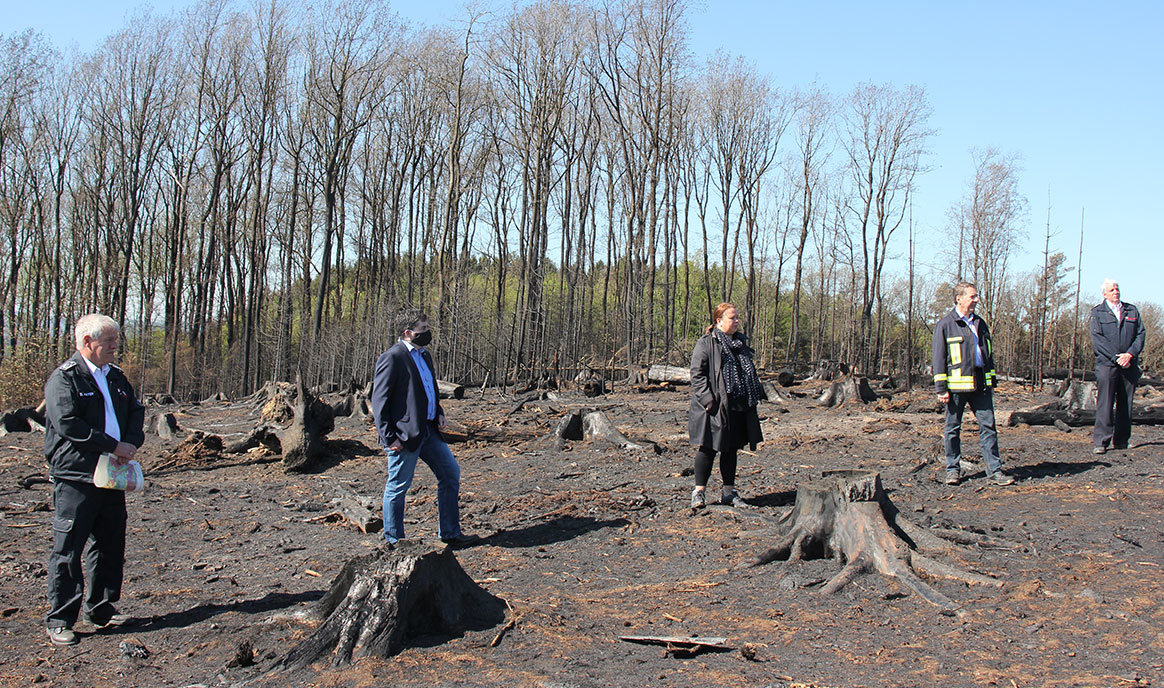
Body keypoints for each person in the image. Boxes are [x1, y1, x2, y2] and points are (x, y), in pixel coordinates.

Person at [43, 314, 145, 647]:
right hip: (77, 476)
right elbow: (69, 424)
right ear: (88, 341)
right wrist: (112, 445)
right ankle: (61, 619)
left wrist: (130, 444)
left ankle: (101, 609)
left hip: (112, 473)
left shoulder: (115, 376)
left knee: (110, 543)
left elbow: (135, 411)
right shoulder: (65, 379)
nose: (116, 346)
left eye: (116, 340)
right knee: (69, 547)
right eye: (110, 341)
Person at [371, 309, 477, 546]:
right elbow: (379, 401)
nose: (428, 333)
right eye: (423, 330)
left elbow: (429, 389)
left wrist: (438, 412)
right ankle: (394, 542)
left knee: (450, 474)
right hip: (403, 435)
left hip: (429, 430)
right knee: (398, 487)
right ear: (408, 333)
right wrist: (389, 437)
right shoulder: (393, 357)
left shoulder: (424, 355)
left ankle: (450, 533)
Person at [932, 282, 1014, 486]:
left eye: (976, 296)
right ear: (959, 298)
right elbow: (938, 359)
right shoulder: (946, 325)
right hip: (956, 388)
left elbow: (988, 354)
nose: (976, 300)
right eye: (972, 296)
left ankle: (994, 471)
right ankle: (953, 470)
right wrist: (941, 388)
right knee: (952, 429)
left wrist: (991, 379)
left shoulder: (980, 323)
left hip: (980, 385)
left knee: (989, 427)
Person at [688, 302, 764, 508]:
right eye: (732, 318)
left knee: (731, 449)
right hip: (714, 406)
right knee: (708, 448)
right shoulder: (707, 343)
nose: (737, 321)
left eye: (737, 317)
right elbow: (697, 374)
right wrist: (707, 400)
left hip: (738, 405)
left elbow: (748, 373)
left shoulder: (740, 343)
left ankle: (729, 492)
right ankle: (699, 492)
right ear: (719, 321)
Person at [1089, 279, 1145, 454]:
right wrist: (1116, 357)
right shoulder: (1097, 313)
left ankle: (1121, 440)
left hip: (1129, 364)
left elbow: (1140, 334)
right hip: (1107, 365)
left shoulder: (1131, 310)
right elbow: (1098, 340)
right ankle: (1101, 442)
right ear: (1104, 294)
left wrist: (1129, 354)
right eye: (1112, 290)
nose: (1116, 292)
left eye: (1117, 289)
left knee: (1126, 403)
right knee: (1105, 403)